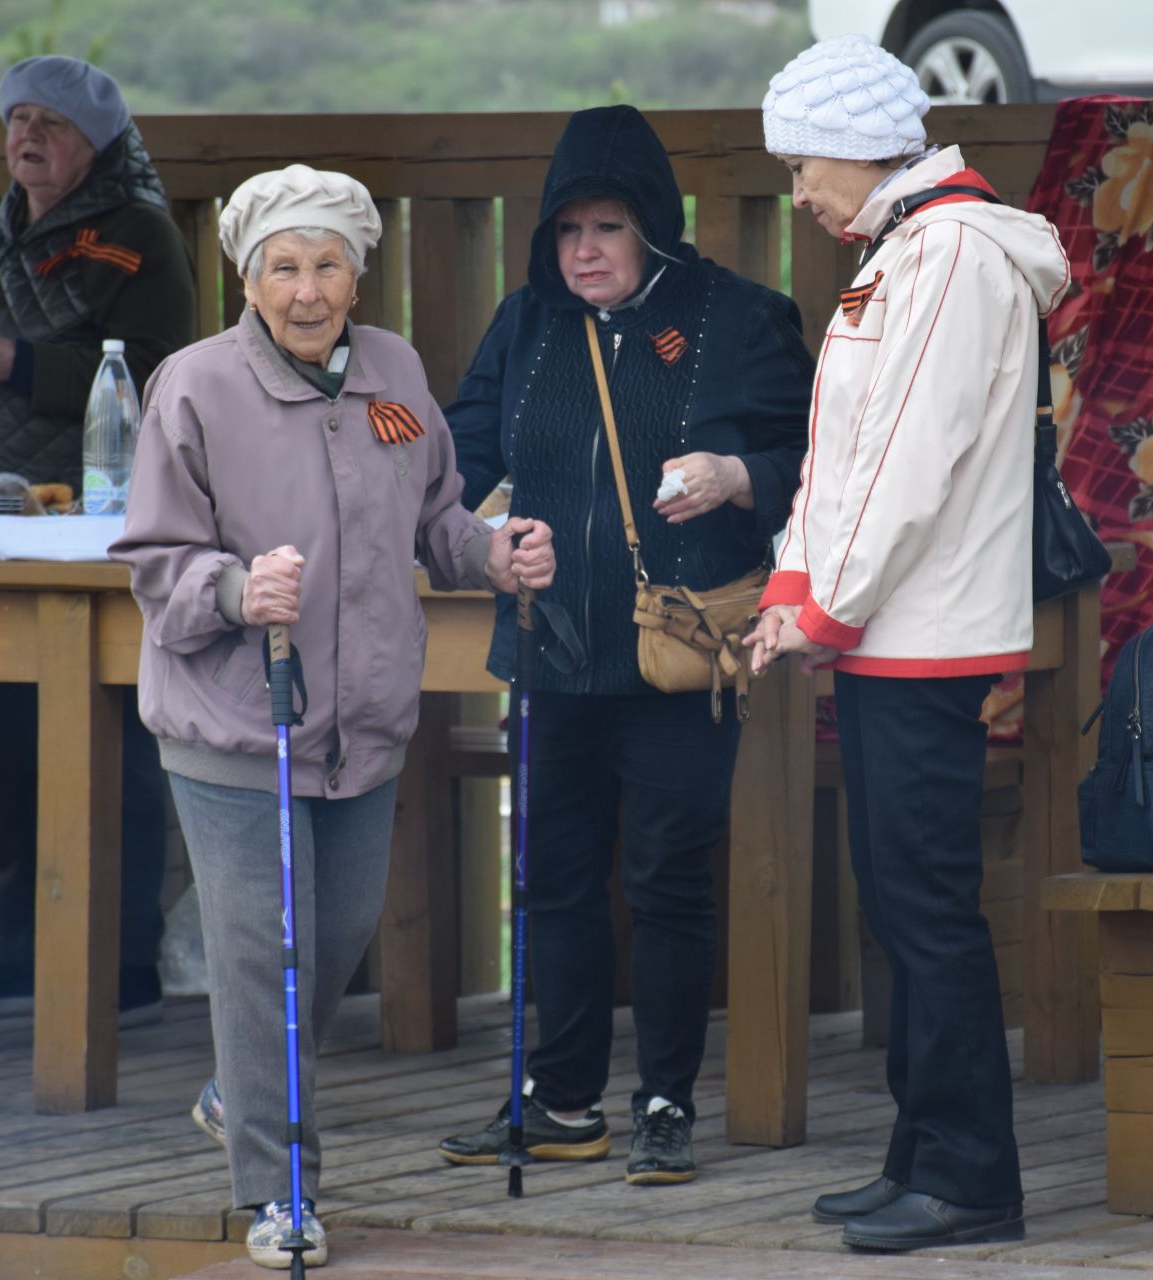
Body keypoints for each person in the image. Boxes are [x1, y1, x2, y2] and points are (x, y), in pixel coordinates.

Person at [112, 164, 555, 1271]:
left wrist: (493, 556)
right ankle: (280, 1188)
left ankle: (240, 1086)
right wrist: (229, 589)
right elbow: (155, 559)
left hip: (363, 722)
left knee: (337, 934)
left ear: (357, 272)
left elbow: (438, 516)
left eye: (326, 266)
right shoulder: (195, 386)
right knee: (271, 952)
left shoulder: (395, 373)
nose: (307, 291)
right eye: (283, 269)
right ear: (247, 280)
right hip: (233, 720)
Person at [435, 105, 814, 1186]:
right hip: (552, 648)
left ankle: (663, 1100)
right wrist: (485, 540)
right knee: (552, 877)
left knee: (665, 880)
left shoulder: (737, 318)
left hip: (679, 653)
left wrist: (739, 477)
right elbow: (458, 455)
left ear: (654, 224)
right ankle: (561, 1101)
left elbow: (817, 453)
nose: (585, 250)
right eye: (567, 230)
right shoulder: (526, 323)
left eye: (607, 226)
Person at [746, 36, 1071, 1252]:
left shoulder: (946, 255)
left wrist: (825, 604)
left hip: (922, 630)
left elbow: (905, 465)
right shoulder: (904, 250)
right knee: (899, 899)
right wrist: (796, 574)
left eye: (800, 165)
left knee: (926, 907)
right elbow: (841, 461)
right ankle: (920, 1151)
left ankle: (975, 1176)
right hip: (886, 625)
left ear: (857, 143)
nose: (796, 192)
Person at [0, 56, 196, 1025]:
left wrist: (11, 361)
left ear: (97, 142)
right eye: (16, 120)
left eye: (51, 124)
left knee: (110, 744)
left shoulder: (133, 237)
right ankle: (12, 948)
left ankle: (121, 962)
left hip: (84, 526)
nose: (27, 137)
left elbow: (158, 377)